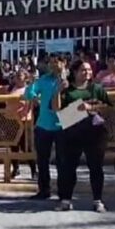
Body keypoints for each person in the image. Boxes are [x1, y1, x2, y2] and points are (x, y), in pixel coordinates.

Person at [53, 60, 112, 212]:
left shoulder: (96, 88)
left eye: (88, 70)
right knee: (68, 167)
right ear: (75, 72)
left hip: (94, 133)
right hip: (71, 132)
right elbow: (56, 109)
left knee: (96, 167)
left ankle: (97, 200)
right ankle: (66, 200)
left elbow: (109, 107)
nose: (86, 73)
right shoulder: (68, 89)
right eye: (82, 70)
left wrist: (90, 107)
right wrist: (58, 91)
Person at [22, 54, 67, 200]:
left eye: (57, 62)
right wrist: (35, 97)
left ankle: (63, 191)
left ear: (64, 63)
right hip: (44, 125)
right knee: (42, 160)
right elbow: (28, 92)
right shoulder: (44, 79)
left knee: (63, 161)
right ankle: (44, 190)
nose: (54, 65)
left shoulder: (70, 80)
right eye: (51, 63)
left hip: (63, 125)